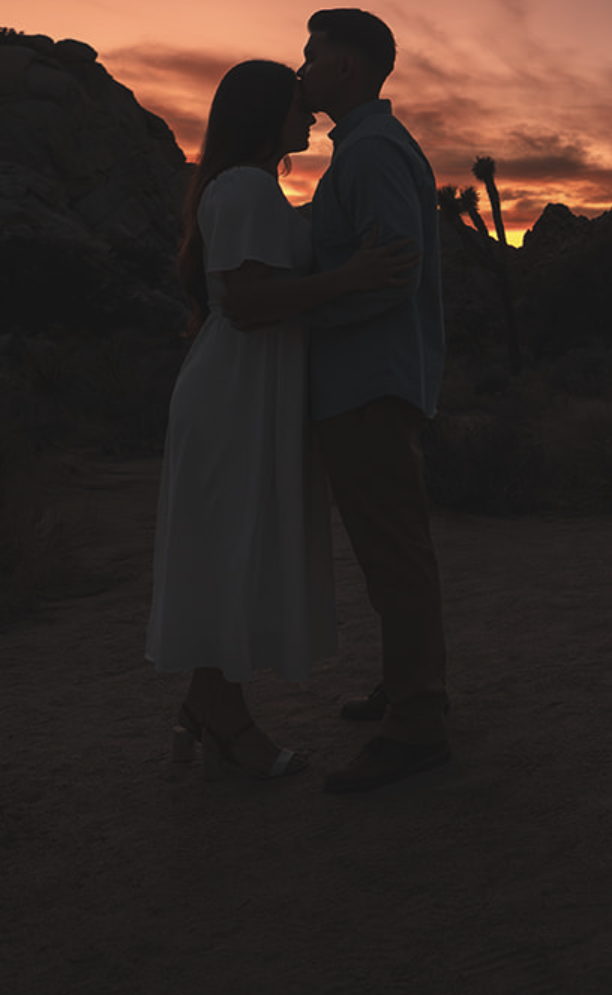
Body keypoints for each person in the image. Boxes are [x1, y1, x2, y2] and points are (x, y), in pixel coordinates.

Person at [148, 58, 416, 779]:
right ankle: (223, 719)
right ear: (268, 113)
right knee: (228, 549)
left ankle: (207, 709)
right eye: (297, 102)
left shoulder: (253, 190)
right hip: (234, 394)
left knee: (230, 549)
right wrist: (349, 279)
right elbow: (245, 298)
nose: (309, 111)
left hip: (244, 391)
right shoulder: (243, 189)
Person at [249, 7, 449, 793]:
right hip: (370, 378)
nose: (300, 69)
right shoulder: (372, 147)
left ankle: (418, 724)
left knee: (393, 554)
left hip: (366, 382)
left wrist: (307, 307)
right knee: (390, 550)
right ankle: (408, 690)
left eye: (311, 56)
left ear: (348, 67)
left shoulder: (367, 154)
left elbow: (390, 268)